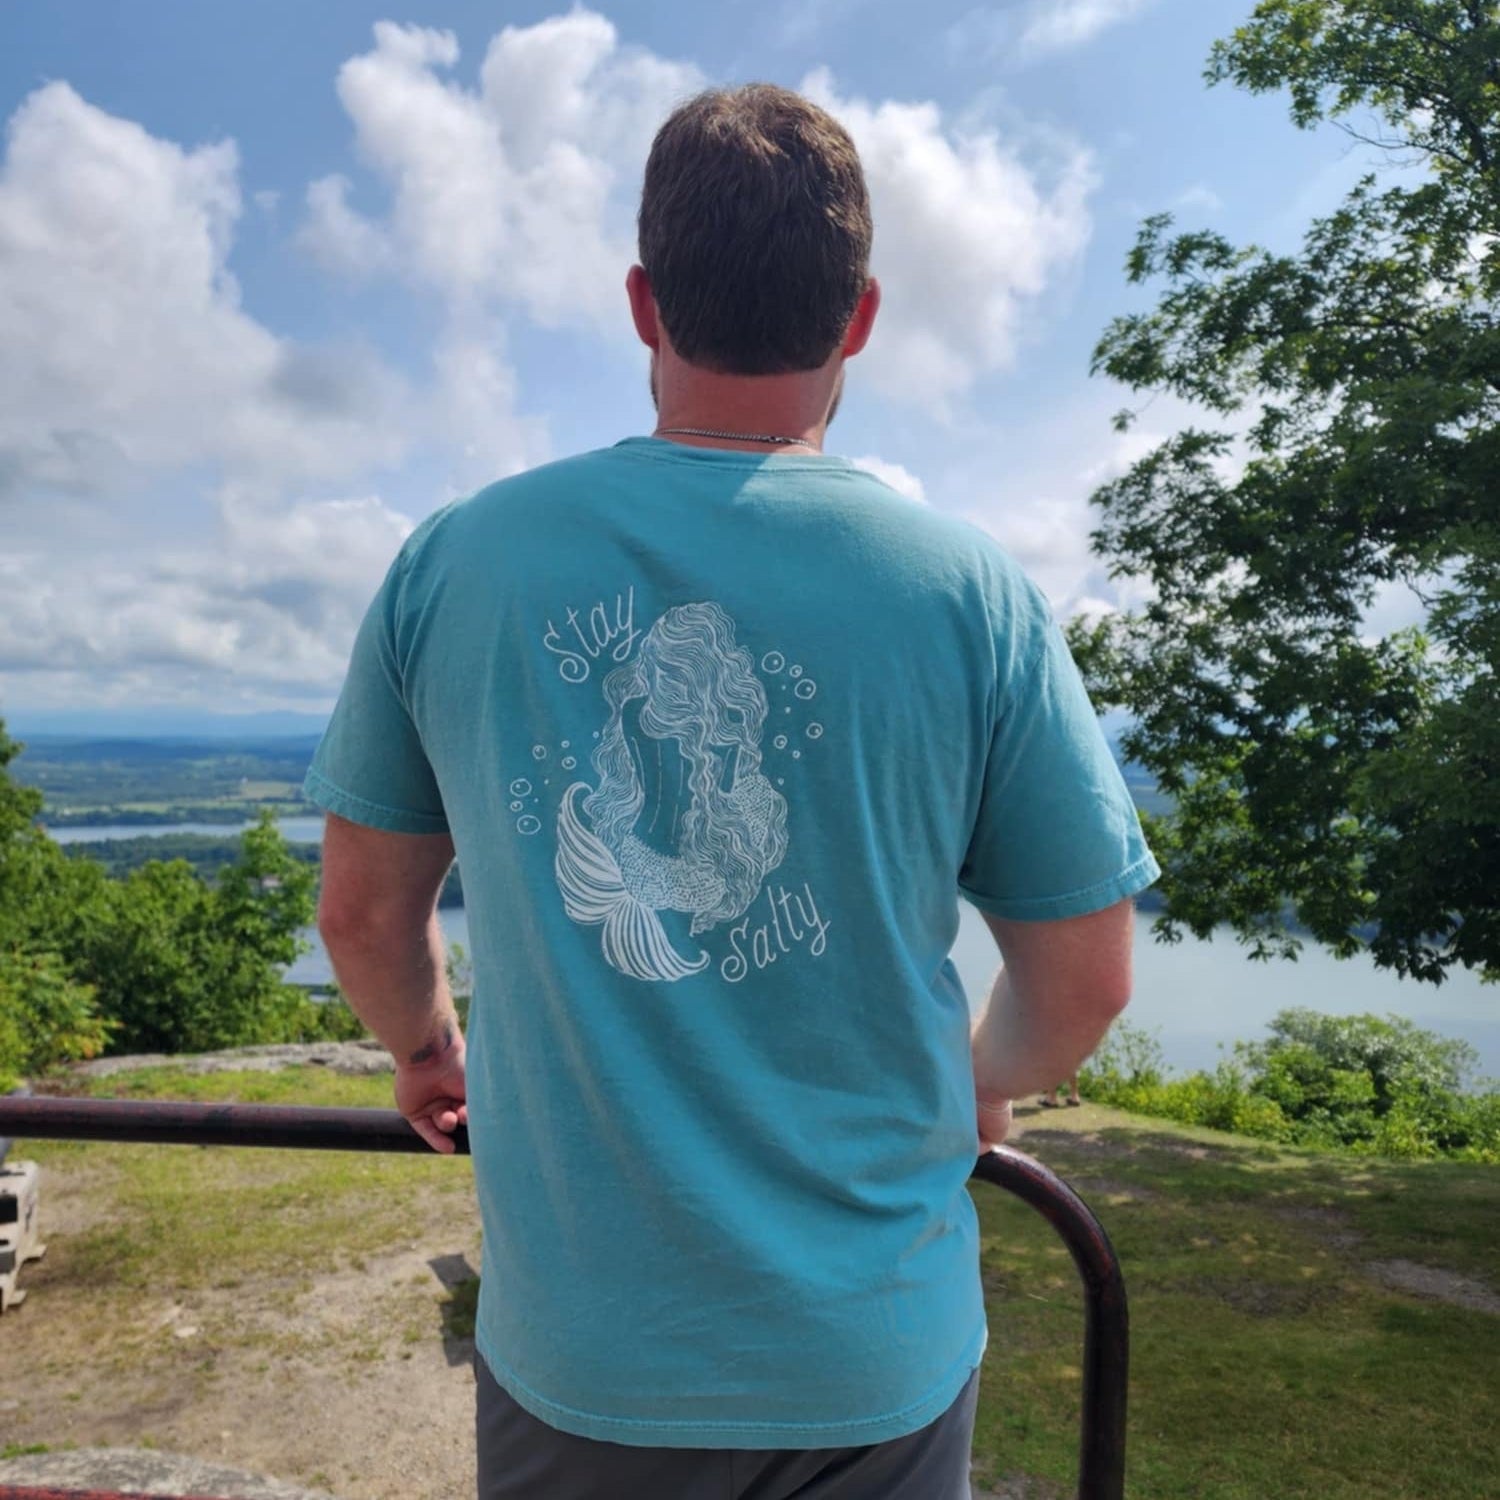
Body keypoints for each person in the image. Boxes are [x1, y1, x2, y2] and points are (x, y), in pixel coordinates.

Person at [308, 83, 1158, 1500]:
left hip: (588, 1361)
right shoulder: (969, 594)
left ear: (644, 304)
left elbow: (360, 912)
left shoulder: (458, 562)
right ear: (863, 317)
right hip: (874, 1358)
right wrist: (979, 1089)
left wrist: (424, 1050)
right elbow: (1089, 977)